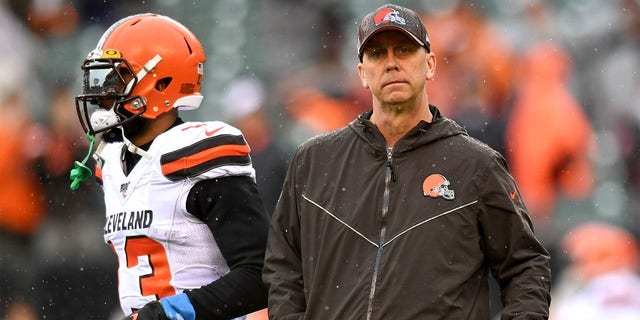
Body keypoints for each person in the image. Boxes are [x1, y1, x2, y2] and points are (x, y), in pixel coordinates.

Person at [262, 4, 551, 319]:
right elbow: (283, 264)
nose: (391, 64)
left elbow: (525, 266)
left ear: (429, 65)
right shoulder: (315, 161)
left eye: (403, 50)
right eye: (376, 54)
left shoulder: (475, 165)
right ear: (362, 73)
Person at [72, 13, 269, 320]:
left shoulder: (198, 154)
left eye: (116, 79)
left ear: (160, 83)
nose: (102, 95)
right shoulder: (111, 162)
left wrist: (169, 313)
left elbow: (260, 275)